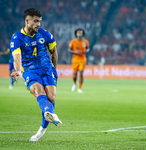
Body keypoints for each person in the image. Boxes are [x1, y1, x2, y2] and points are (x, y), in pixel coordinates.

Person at [10, 8, 62, 141]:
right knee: (39, 91)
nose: (38, 24)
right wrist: (17, 70)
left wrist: (54, 70)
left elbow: (54, 52)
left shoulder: (45, 34)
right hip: (29, 69)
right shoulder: (17, 38)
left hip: (46, 68)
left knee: (51, 97)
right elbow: (16, 58)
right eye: (35, 21)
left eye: (39, 21)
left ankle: (42, 129)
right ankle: (49, 114)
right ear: (26, 21)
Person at [68, 28, 90, 93]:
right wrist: (75, 52)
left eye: (81, 32)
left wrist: (86, 51)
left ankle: (79, 88)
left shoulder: (85, 42)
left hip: (82, 59)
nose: (80, 34)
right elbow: (69, 49)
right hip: (75, 59)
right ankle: (75, 83)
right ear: (76, 34)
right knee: (74, 75)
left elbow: (88, 49)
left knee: (81, 73)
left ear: (83, 34)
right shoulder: (73, 41)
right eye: (78, 32)